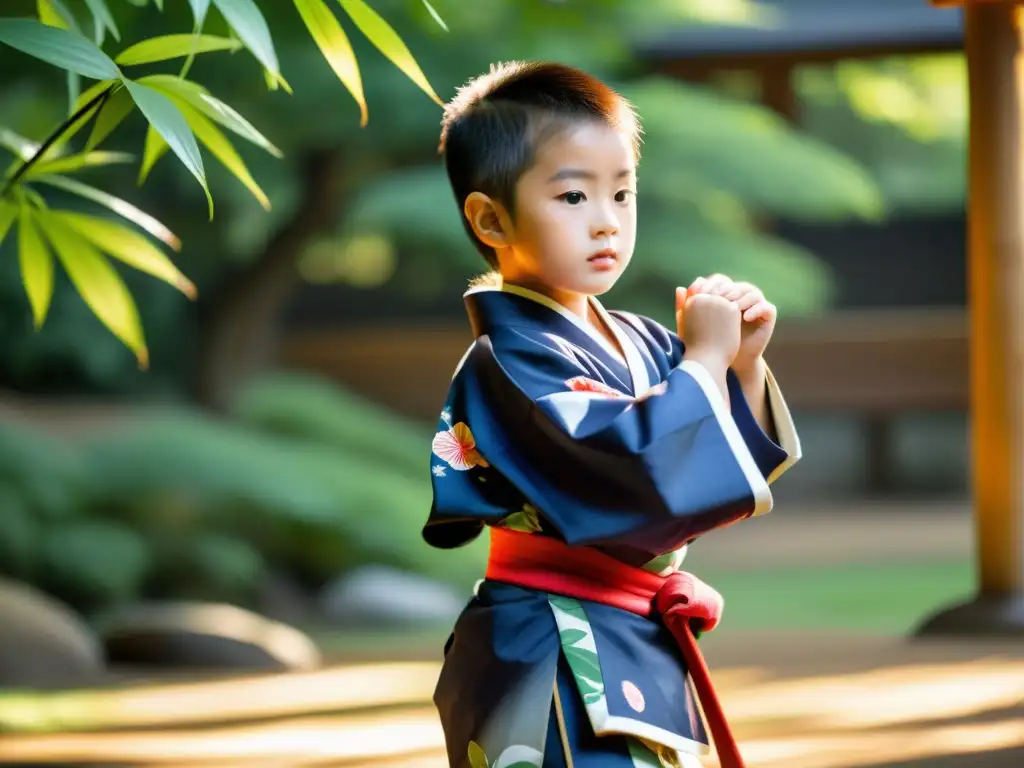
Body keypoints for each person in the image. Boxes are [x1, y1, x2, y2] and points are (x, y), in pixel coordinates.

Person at [424, 60, 802, 768]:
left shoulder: (645, 338)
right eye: (573, 196)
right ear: (490, 217)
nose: (607, 222)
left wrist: (739, 362)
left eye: (623, 194)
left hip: (628, 628)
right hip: (551, 641)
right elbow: (629, 469)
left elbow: (720, 466)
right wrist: (702, 363)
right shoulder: (508, 358)